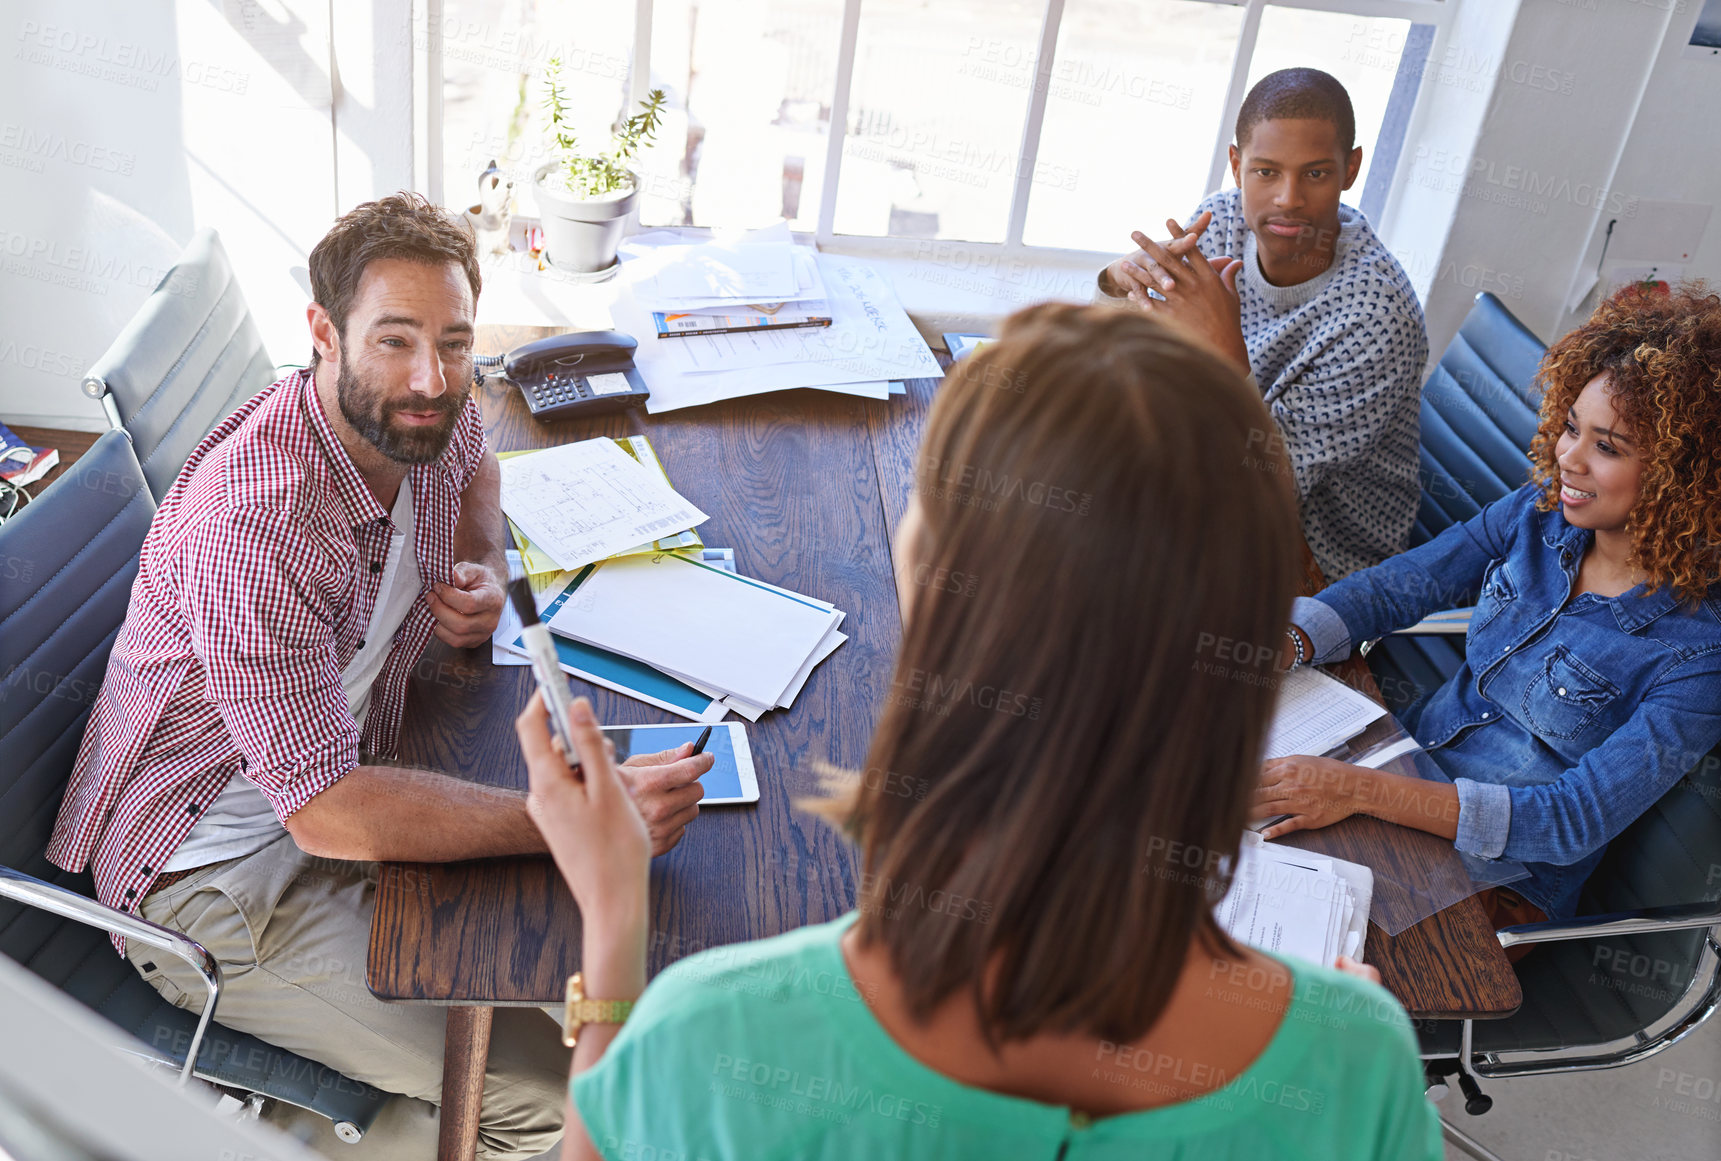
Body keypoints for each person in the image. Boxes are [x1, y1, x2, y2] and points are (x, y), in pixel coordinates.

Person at [517, 304, 1442, 1159]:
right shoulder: (1358, 1072)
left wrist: (613, 924)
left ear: (942, 603)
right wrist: (1341, 1053)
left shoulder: (710, 1040)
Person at [47, 193, 712, 1160]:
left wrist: (480, 565)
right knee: (557, 1091)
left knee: (642, 987)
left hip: (351, 762)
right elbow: (322, 811)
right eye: (394, 340)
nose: (431, 377)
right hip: (221, 882)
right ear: (322, 333)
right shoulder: (260, 526)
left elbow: (478, 469)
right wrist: (565, 821)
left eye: (452, 340)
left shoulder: (425, 411)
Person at [1264, 285, 1721, 924]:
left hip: (1498, 883)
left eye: (1606, 447)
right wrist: (1285, 643)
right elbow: (1400, 586)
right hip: (1401, 765)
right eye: (1570, 428)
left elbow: (1571, 819)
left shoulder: (1697, 654)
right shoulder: (1542, 513)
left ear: (1687, 476)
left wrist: (1358, 790)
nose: (1568, 458)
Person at [1096, 67, 1428, 582]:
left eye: (1315, 173)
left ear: (1352, 169)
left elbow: (1265, 489)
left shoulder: (1378, 316)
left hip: (1313, 557)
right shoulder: (1223, 221)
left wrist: (1227, 359)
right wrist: (1120, 284)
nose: (1288, 199)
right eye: (1266, 171)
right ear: (1236, 164)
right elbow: (1132, 354)